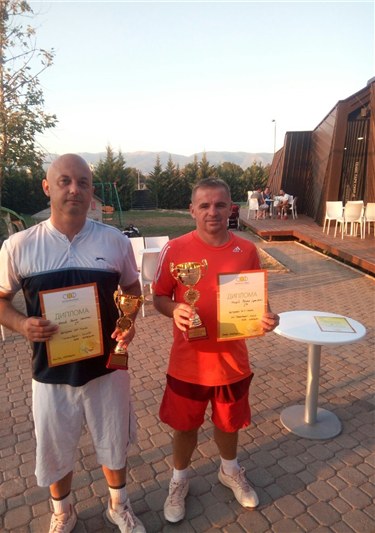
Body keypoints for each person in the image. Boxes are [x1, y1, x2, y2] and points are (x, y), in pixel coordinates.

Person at [0, 154, 145, 533]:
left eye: (83, 182)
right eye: (65, 181)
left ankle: (118, 506)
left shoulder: (114, 241)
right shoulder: (20, 246)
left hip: (108, 369)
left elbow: (132, 289)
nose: (75, 189)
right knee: (55, 451)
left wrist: (129, 323)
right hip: (50, 374)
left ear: (91, 191)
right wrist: (21, 324)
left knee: (114, 443)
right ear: (47, 187)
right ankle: (63, 512)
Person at [152, 178, 280, 523]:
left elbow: (258, 300)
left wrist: (268, 317)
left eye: (220, 204)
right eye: (205, 205)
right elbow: (159, 296)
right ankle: (179, 479)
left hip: (231, 362)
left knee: (228, 424)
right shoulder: (175, 249)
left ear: (231, 209)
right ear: (192, 210)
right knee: (185, 427)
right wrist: (174, 310)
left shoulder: (246, 250)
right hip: (188, 363)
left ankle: (230, 470)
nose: (213, 212)